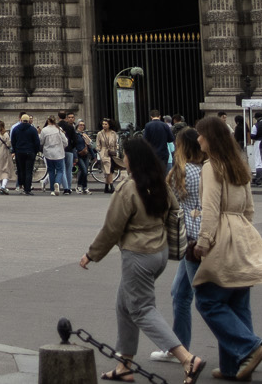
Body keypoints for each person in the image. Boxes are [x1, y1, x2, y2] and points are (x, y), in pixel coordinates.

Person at [78, 134, 204, 382]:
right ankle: (125, 364)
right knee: (124, 305)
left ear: (130, 159)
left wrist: (91, 255)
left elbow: (112, 228)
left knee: (142, 309)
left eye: (124, 154)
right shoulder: (160, 183)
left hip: (138, 255)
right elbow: (175, 212)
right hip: (160, 252)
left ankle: (187, 358)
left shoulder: (128, 188)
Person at [190, 117, 262, 381]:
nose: (198, 139)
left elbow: (211, 209)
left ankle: (248, 348)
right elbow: (249, 208)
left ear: (210, 138)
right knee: (237, 300)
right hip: (242, 230)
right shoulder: (238, 164)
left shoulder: (210, 166)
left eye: (201, 135)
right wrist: (243, 231)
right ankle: (234, 366)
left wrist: (203, 242)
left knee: (208, 300)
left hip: (223, 232)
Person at [149, 127, 206, 367]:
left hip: (190, 238)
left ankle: (242, 343)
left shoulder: (180, 172)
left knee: (205, 298)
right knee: (180, 293)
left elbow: (164, 203)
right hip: (202, 233)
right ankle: (179, 346)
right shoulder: (206, 169)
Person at [8, 112, 40, 195]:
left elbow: (13, 141)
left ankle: (21, 185)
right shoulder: (33, 129)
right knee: (29, 171)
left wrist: (14, 150)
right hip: (30, 151)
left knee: (21, 170)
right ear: (28, 120)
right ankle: (27, 188)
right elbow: (37, 142)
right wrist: (36, 151)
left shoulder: (15, 129)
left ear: (21, 120)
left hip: (19, 152)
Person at [41, 115, 69, 194]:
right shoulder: (59, 129)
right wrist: (62, 146)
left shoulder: (44, 130)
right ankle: (57, 183)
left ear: (48, 121)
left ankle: (52, 189)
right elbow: (65, 142)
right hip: (59, 153)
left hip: (48, 153)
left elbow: (41, 141)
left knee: (51, 171)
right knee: (60, 170)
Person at [96, 118, 122, 193]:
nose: (104, 125)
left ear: (109, 125)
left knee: (110, 170)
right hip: (104, 153)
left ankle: (106, 187)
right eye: (103, 124)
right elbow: (98, 145)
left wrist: (116, 150)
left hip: (112, 153)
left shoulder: (113, 133)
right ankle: (111, 185)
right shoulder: (100, 134)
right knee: (108, 170)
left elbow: (116, 143)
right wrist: (100, 152)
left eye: (105, 124)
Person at [0, 118, 15, 194]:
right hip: (5, 153)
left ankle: (0, 187)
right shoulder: (6, 134)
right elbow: (9, 144)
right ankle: (3, 186)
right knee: (6, 171)